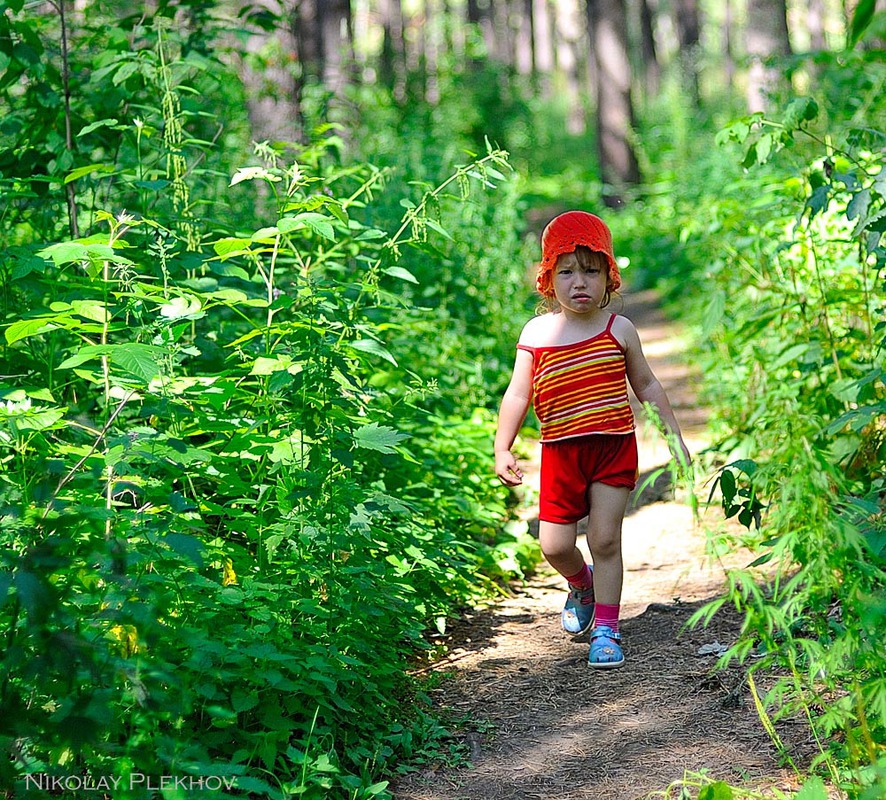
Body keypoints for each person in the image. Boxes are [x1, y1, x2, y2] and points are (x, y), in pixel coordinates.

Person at [494, 210, 690, 669]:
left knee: (604, 540)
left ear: (608, 278)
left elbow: (647, 386)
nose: (579, 282)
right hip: (561, 454)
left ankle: (607, 628)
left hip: (612, 449)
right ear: (548, 279)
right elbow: (518, 392)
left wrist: (674, 437)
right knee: (554, 546)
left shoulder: (618, 330)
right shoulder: (537, 334)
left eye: (591, 271)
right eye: (566, 272)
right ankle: (580, 584)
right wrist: (503, 446)